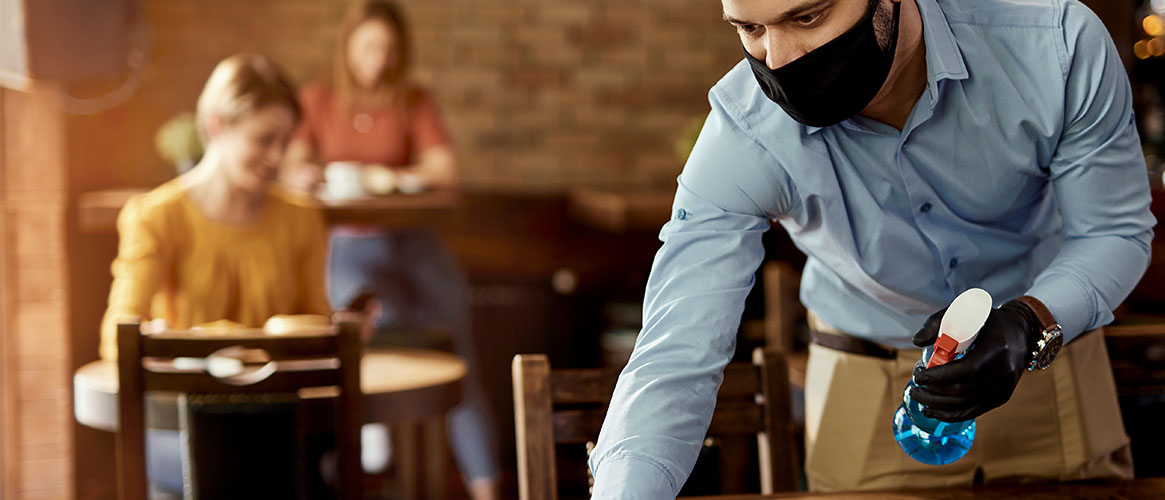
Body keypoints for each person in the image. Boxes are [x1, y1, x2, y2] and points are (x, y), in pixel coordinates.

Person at [589, 0, 1154, 496]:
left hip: (1047, 369)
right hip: (867, 394)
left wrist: (1029, 323)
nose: (780, 60)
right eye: (750, 30)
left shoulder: (1054, 45)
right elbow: (674, 352)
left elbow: (1113, 233)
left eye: (808, 16)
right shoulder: (746, 134)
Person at [282, 1, 501, 497]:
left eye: (387, 49)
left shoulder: (412, 100)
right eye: (368, 46)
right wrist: (310, 173)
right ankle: (363, 472)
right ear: (347, 45)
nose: (377, 59)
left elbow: (445, 171)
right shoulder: (317, 99)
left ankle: (488, 489)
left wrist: (393, 178)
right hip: (350, 249)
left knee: (462, 360)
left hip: (415, 244)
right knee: (343, 357)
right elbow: (292, 168)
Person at [99, 52, 328, 495]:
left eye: (285, 141)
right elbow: (116, 336)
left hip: (279, 424)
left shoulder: (303, 219)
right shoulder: (155, 217)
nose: (277, 157)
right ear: (218, 124)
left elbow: (316, 321)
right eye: (264, 140)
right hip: (184, 427)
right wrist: (162, 341)